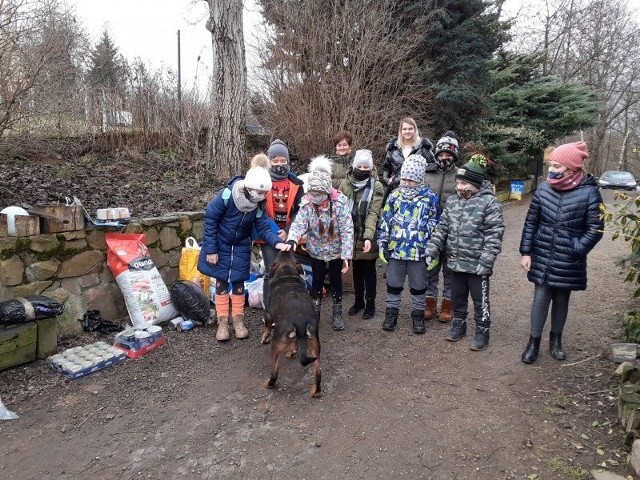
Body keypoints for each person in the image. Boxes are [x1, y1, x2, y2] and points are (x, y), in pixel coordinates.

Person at [519, 141, 604, 364]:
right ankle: (533, 343)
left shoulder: (590, 192)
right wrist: (526, 252)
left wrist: (577, 248)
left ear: (572, 168)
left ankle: (555, 341)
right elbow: (531, 223)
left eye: (557, 166)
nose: (552, 170)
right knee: (540, 297)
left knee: (561, 299)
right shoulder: (544, 187)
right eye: (551, 165)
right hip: (542, 253)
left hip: (569, 257)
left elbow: (595, 229)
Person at [198, 154, 291, 342]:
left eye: (265, 193)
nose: (263, 196)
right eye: (260, 192)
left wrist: (276, 242)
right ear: (249, 187)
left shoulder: (257, 205)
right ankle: (223, 323)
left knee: (239, 282)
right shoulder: (227, 195)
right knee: (222, 282)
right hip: (220, 244)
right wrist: (211, 249)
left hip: (241, 245)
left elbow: (264, 226)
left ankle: (238, 321)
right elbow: (210, 219)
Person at [424, 154, 504, 351]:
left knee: (480, 300)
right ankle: (458, 325)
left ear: (475, 184)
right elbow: (442, 229)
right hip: (456, 262)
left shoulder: (489, 203)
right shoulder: (452, 202)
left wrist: (487, 261)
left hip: (478, 265)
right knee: (457, 296)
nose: (459, 187)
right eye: (458, 182)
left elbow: (494, 234)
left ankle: (482, 331)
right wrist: (432, 248)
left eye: (463, 183)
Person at [286, 156, 354, 331]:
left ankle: (337, 313)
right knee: (316, 280)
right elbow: (299, 223)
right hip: (315, 250)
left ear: (326, 192)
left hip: (335, 251)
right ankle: (314, 313)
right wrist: (293, 238)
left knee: (336, 280)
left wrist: (346, 255)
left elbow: (347, 229)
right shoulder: (307, 205)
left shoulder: (339, 203)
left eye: (319, 194)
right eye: (312, 193)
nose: (315, 197)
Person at [377, 154, 438, 334]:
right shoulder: (394, 196)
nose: (406, 183)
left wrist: (432, 249)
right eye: (404, 178)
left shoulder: (430, 198)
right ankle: (391, 313)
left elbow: (435, 224)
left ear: (419, 179)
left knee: (419, 286)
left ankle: (418, 315)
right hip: (396, 250)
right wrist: (383, 243)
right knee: (393, 284)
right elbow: (385, 220)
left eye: (411, 180)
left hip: (419, 251)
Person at [337, 149, 384, 319]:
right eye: (360, 166)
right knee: (356, 269)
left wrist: (368, 237)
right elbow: (340, 210)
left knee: (369, 270)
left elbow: (374, 212)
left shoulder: (377, 186)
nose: (362, 169)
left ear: (370, 168)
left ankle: (370, 303)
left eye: (366, 166)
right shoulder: (345, 184)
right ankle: (358, 301)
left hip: (367, 234)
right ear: (354, 166)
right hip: (350, 233)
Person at [258, 139, 305, 311]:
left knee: (291, 271)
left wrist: (287, 230)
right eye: (275, 161)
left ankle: (288, 306)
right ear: (269, 162)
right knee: (272, 270)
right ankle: (269, 308)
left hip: (290, 234)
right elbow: (260, 211)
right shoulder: (262, 182)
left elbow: (301, 211)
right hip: (267, 235)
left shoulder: (297, 184)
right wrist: (276, 231)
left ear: (288, 161)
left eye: (282, 160)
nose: (279, 164)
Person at [424, 131, 460, 323]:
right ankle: (429, 303)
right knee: (431, 268)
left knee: (450, 270)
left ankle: (448, 305)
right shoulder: (427, 173)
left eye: (448, 155)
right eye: (441, 154)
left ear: (454, 156)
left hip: (453, 230)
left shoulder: (460, 175)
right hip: (431, 230)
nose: (444, 158)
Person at [382, 117, 436, 196]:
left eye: (410, 128)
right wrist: (387, 180)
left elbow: (433, 167)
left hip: (418, 194)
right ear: (400, 131)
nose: (407, 131)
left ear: (415, 130)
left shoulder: (423, 148)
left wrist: (424, 180)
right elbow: (386, 168)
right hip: (396, 193)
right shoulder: (393, 149)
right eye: (404, 129)